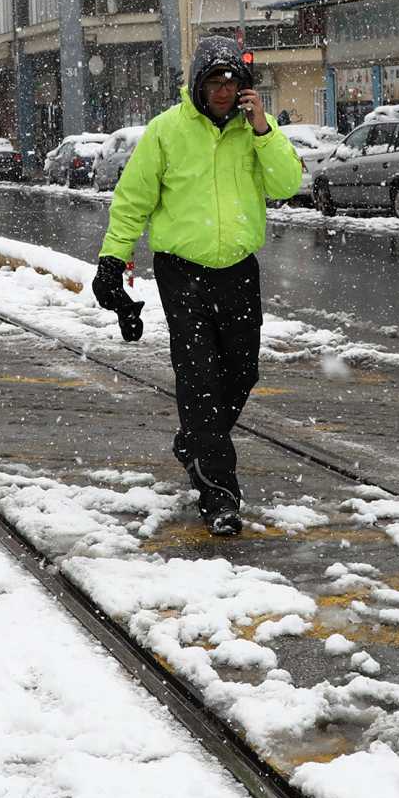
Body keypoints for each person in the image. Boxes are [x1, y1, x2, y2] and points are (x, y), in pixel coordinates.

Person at [93, 35, 304, 537]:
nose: (224, 91)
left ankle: (194, 443)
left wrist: (263, 130)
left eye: (232, 82)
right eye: (215, 81)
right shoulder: (167, 132)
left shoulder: (256, 133)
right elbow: (132, 201)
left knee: (243, 372)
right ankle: (219, 492)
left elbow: (287, 185)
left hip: (237, 270)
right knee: (200, 378)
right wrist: (112, 259)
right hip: (181, 271)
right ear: (197, 85)